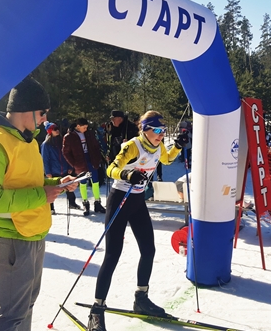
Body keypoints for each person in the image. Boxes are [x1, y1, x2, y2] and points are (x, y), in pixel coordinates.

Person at [87, 111, 189, 331]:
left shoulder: (158, 145)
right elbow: (110, 169)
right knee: (113, 255)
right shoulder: (133, 146)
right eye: (158, 130)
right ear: (145, 129)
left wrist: (179, 145)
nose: (162, 135)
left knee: (149, 250)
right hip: (120, 200)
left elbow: (167, 159)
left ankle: (141, 299)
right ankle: (96, 309)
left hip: (137, 201)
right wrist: (127, 175)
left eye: (164, 131)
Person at [0, 77, 78, 331]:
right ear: (25, 108)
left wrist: (58, 182)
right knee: (11, 316)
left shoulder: (28, 140)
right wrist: (43, 195)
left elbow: (28, 181)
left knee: (26, 306)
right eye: (42, 112)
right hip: (10, 237)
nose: (44, 119)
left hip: (33, 233)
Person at [63, 118, 106, 215]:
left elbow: (96, 146)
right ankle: (85, 203)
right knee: (83, 183)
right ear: (78, 126)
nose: (86, 129)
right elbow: (66, 152)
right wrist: (73, 164)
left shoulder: (89, 134)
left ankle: (97, 202)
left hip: (91, 160)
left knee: (95, 181)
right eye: (84, 127)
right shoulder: (69, 136)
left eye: (87, 127)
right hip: (79, 162)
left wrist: (98, 158)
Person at [41, 121, 81, 213]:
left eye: (57, 128)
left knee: (69, 187)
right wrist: (48, 172)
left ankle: (72, 203)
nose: (57, 130)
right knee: (53, 189)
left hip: (65, 168)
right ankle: (51, 207)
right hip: (54, 170)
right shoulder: (46, 144)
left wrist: (70, 166)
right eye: (55, 129)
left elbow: (66, 155)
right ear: (50, 131)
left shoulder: (62, 141)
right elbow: (45, 159)